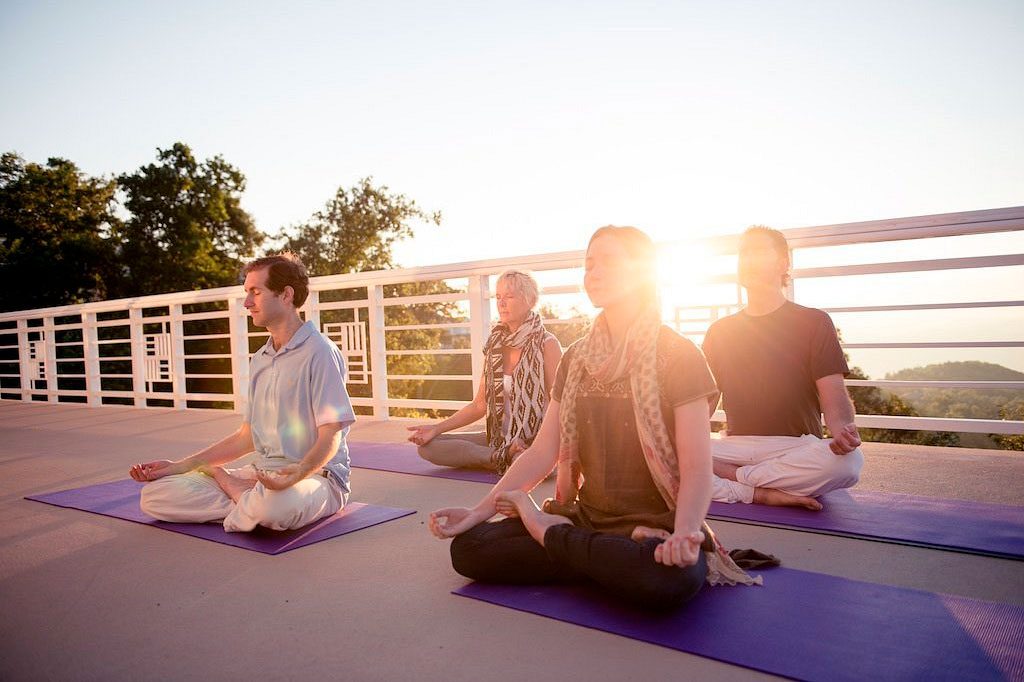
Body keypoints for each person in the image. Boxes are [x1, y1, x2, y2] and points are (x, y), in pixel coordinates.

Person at [429, 227, 757, 611]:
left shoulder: (679, 356)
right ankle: (588, 554)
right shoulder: (576, 358)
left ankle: (551, 536)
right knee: (470, 550)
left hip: (659, 524)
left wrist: (685, 533)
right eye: (588, 265)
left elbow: (697, 470)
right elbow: (541, 453)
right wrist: (476, 512)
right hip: (585, 518)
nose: (593, 273)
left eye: (607, 263)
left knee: (669, 580)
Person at [129, 253, 355, 532]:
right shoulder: (260, 359)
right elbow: (246, 437)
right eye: (247, 293)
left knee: (276, 508)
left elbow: (331, 435)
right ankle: (248, 501)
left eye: (255, 292)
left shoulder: (320, 352)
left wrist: (293, 476)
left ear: (286, 295)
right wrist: (180, 466)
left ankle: (238, 492)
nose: (247, 303)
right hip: (259, 474)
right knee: (155, 495)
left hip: (317, 478)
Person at [702, 226, 863, 510]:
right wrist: (680, 444)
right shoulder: (720, 331)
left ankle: (735, 480)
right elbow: (704, 403)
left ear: (783, 263)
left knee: (849, 463)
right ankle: (761, 491)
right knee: (658, 451)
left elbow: (834, 393)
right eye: (744, 253)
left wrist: (842, 432)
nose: (748, 259)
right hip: (737, 446)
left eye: (758, 251)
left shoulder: (814, 322)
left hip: (795, 448)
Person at [407, 270, 562, 473]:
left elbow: (560, 405)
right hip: (497, 439)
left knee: (526, 464)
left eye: (509, 296)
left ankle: (512, 457)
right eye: (498, 297)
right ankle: (499, 457)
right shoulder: (494, 345)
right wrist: (435, 429)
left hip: (536, 439)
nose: (501, 303)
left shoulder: (547, 344)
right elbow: (479, 405)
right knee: (428, 447)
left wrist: (543, 444)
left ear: (530, 300)